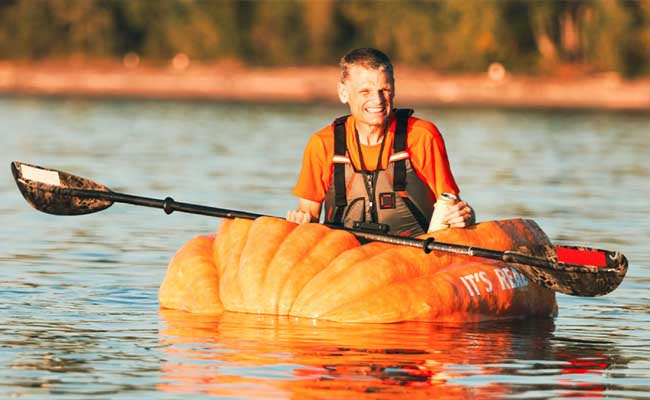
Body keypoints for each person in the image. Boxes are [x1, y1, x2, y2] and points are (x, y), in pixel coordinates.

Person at [287, 48, 475, 236]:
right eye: (365, 91)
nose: (377, 100)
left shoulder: (422, 136)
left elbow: (451, 206)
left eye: (384, 90)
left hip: (414, 257)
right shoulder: (322, 143)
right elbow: (309, 215)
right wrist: (301, 220)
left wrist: (465, 216)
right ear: (343, 93)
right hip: (345, 257)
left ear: (393, 89)